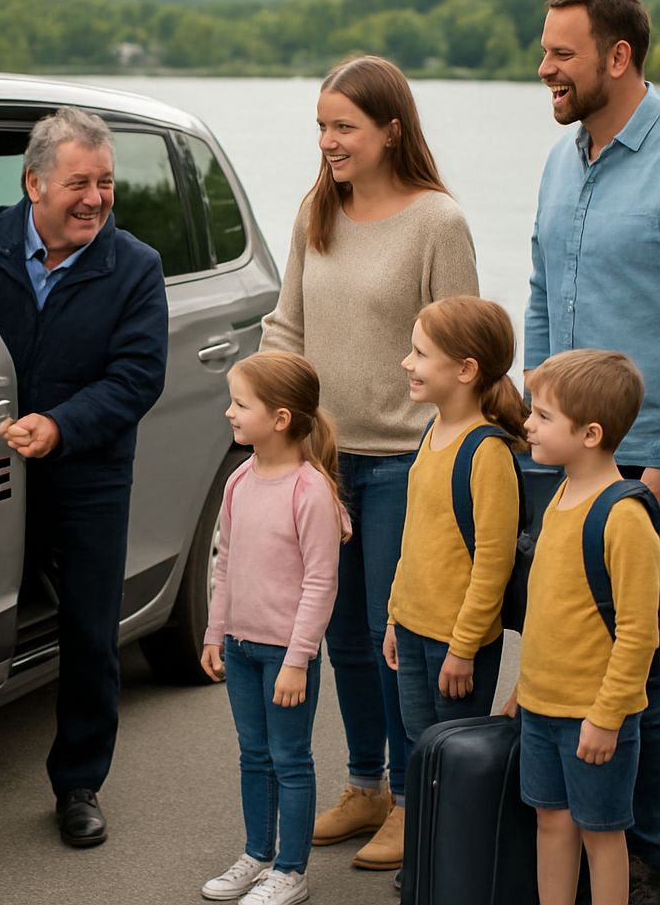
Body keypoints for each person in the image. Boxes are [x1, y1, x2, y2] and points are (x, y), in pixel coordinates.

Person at [260, 55, 478, 871]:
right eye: (321, 126)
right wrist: (270, 420)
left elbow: (465, 356)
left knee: (395, 639)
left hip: (403, 467)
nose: (328, 142)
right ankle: (366, 785)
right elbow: (287, 326)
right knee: (341, 636)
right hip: (324, 464)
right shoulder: (318, 211)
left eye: (343, 127)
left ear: (392, 129)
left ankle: (412, 792)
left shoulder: (437, 223)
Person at [0, 106, 168, 846]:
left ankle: (80, 782)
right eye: (78, 183)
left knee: (90, 631)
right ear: (34, 184)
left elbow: (137, 379)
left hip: (86, 469)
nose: (95, 198)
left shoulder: (135, 267)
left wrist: (60, 426)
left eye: (106, 183)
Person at [524, 0, 660, 881]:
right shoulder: (561, 156)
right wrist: (528, 414)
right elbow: (539, 292)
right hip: (563, 465)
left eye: (561, 53)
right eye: (543, 52)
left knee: (646, 681)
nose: (545, 70)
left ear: (618, 56)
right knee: (577, 669)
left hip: (647, 470)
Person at [502, 350, 660, 905]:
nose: (528, 424)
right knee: (552, 825)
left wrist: (607, 716)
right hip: (543, 710)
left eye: (543, 416)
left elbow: (640, 633)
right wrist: (526, 688)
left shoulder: (625, 516)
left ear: (590, 433)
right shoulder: (560, 495)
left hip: (596, 718)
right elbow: (551, 613)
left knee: (602, 834)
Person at [200, 352, 350, 905]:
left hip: (287, 654)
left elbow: (320, 583)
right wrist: (216, 633)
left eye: (241, 404)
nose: (229, 413)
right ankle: (257, 855)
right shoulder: (239, 479)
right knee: (253, 754)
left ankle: (291, 870)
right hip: (240, 647)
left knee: (290, 759)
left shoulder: (309, 492)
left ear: (281, 418)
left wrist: (297, 658)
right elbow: (225, 559)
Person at [384, 297, 524, 748]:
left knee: (451, 756)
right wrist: (393, 617)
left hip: (456, 645)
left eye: (421, 354)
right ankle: (418, 821)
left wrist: (464, 648)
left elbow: (493, 562)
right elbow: (413, 540)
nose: (407, 362)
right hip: (410, 629)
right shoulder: (430, 431)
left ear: (466, 370)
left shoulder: (487, 453)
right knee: (419, 747)